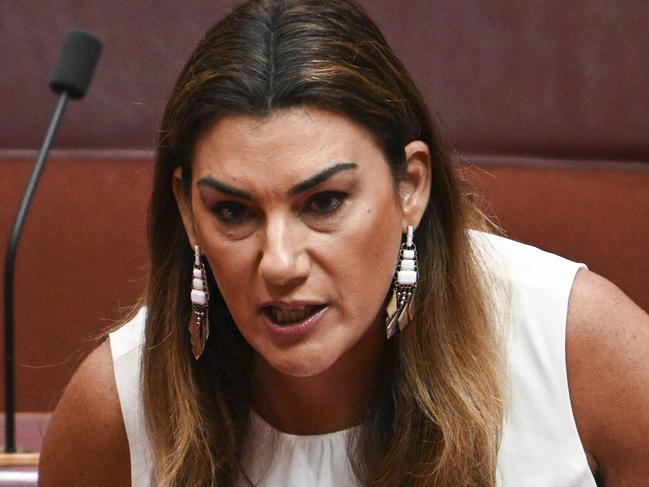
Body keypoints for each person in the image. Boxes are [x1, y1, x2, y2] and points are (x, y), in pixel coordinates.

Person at [38, 0, 649, 486]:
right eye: (232, 211)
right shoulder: (114, 412)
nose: (279, 263)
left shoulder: (580, 349)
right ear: (187, 210)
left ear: (411, 184)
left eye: (324, 203)